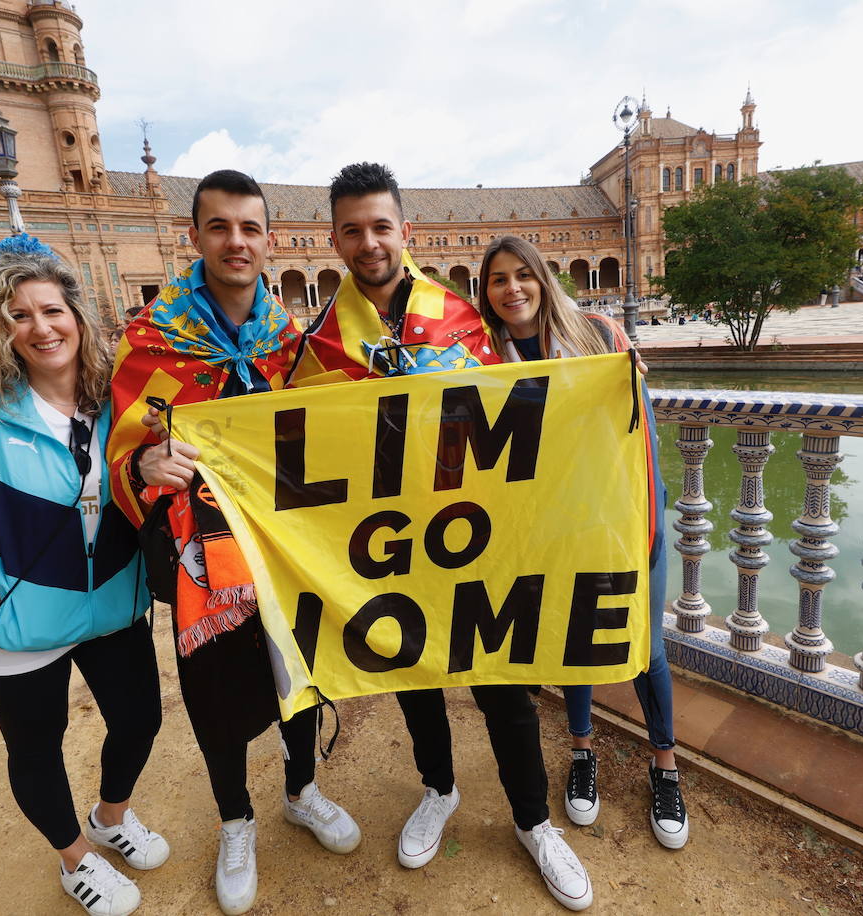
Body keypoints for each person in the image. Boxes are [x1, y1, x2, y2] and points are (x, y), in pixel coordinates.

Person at [289, 162, 592, 911]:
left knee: (506, 687)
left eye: (381, 227)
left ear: (406, 232)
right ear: (334, 240)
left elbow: (531, 400)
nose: (369, 243)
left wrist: (616, 373)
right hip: (388, 544)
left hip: (472, 537)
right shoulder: (323, 340)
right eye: (353, 231)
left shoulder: (462, 318)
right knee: (413, 682)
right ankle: (440, 789)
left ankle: (533, 820)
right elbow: (291, 444)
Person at [106, 170, 359, 916]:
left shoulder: (290, 340)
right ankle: (235, 820)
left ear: (269, 239)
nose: (236, 241)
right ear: (195, 237)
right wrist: (145, 462)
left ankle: (301, 790)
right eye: (220, 227)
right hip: (204, 564)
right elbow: (124, 446)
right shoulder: (155, 340)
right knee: (214, 693)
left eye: (250, 228)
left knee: (297, 671)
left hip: (284, 550)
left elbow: (355, 413)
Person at [0, 235, 164, 916]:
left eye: (52, 310)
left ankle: (111, 815)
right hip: (18, 622)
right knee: (37, 749)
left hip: (114, 606)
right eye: (20, 316)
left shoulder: (122, 409)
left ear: (77, 313)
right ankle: (76, 858)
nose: (42, 328)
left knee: (139, 720)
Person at [476, 235, 689, 853]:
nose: (512, 289)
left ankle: (666, 765)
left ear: (544, 279)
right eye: (498, 280)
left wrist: (644, 523)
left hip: (623, 515)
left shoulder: (599, 334)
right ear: (484, 294)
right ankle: (582, 750)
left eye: (524, 275)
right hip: (554, 527)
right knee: (574, 639)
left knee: (645, 646)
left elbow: (641, 434)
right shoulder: (487, 359)